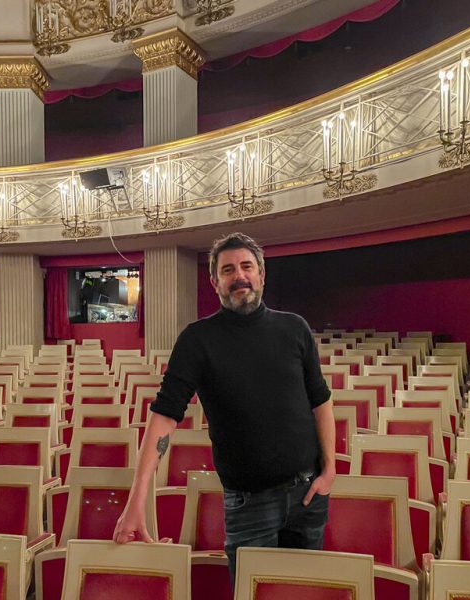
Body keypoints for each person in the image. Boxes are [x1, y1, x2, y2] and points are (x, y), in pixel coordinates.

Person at [113, 232, 335, 586]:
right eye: (228, 270)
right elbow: (164, 417)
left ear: (262, 274)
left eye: (247, 266)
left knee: (304, 593)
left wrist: (330, 471)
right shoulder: (197, 339)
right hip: (248, 505)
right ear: (215, 282)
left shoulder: (294, 328)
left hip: (307, 495)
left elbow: (320, 401)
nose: (240, 276)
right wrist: (136, 500)